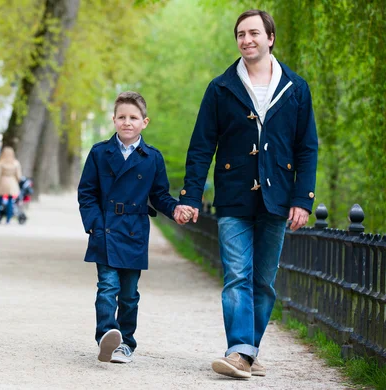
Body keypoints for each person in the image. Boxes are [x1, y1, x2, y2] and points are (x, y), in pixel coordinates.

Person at [174, 9, 318, 379]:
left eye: (254, 32)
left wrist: (303, 199)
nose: (246, 39)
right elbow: (201, 145)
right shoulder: (221, 88)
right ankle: (239, 351)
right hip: (234, 196)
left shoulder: (296, 88)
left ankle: (248, 351)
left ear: (270, 38)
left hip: (279, 197)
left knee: (264, 281)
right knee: (237, 274)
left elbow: (307, 148)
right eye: (240, 34)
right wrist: (190, 196)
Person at [78, 91, 183, 364]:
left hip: (135, 231)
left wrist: (175, 210)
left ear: (144, 122)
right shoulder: (100, 153)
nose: (127, 122)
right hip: (106, 229)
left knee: (129, 295)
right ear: (113, 120)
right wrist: (94, 226)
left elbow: (160, 195)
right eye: (122, 117)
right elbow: (87, 193)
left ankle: (126, 343)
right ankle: (106, 335)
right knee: (107, 287)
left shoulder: (152, 158)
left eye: (133, 117)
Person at [0, 146, 22, 224]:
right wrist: (16, 182)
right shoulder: (16, 163)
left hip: (2, 182)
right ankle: (8, 220)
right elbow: (19, 176)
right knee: (10, 202)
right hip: (12, 182)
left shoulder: (1, 163)